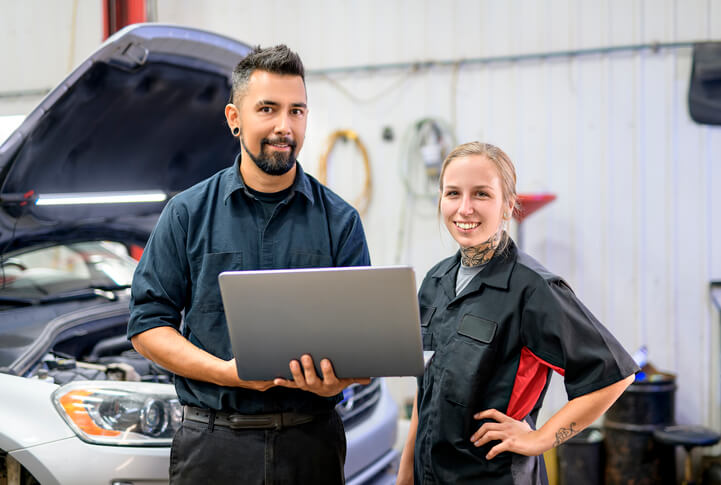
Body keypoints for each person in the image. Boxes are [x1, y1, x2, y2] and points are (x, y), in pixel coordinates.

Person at [127, 45, 370, 485]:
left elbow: (364, 347)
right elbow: (147, 327)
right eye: (268, 109)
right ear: (234, 119)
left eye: (297, 111)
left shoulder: (340, 221)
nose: (284, 126)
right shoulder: (187, 214)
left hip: (310, 447)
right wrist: (225, 373)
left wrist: (337, 382)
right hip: (213, 447)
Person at [396, 142, 638, 484]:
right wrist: (406, 474)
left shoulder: (533, 289)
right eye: (453, 193)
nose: (464, 208)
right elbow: (426, 392)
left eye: (481, 194)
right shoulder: (434, 282)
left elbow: (613, 375)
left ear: (508, 205)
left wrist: (539, 439)